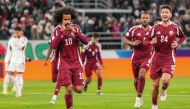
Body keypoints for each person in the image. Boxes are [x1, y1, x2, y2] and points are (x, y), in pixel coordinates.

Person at [143, 5, 186, 109]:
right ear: (160, 14)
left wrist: (178, 43)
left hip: (169, 58)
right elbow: (145, 41)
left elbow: (183, 36)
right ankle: (154, 105)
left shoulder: (175, 27)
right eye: (163, 12)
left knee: (165, 81)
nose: (164, 14)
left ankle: (164, 89)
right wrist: (150, 42)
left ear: (170, 14)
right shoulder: (154, 28)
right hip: (156, 58)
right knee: (155, 84)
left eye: (167, 12)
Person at [50, 6, 88, 109]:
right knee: (69, 89)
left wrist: (75, 32)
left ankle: (69, 95)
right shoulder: (56, 31)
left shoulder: (76, 28)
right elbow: (54, 45)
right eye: (65, 19)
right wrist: (61, 32)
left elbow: (86, 41)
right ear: (61, 19)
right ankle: (69, 107)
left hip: (77, 63)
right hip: (64, 63)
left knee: (79, 89)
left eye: (69, 19)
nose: (67, 21)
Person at [124, 12, 152, 108]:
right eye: (143, 18)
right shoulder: (134, 29)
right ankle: (140, 96)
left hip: (148, 57)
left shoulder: (153, 30)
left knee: (142, 73)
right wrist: (133, 43)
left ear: (149, 19)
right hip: (135, 57)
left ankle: (138, 98)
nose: (144, 19)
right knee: (136, 79)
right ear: (140, 19)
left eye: (146, 18)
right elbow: (125, 39)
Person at [3, 27, 28, 97]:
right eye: (14, 32)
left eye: (17, 32)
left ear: (20, 32)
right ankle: (17, 86)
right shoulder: (11, 39)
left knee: (19, 76)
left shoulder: (24, 39)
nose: (15, 34)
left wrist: (16, 38)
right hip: (13, 60)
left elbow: (20, 46)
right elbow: (10, 49)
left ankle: (19, 92)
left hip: (21, 61)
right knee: (9, 75)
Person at [44, 27, 61, 104]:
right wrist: (46, 60)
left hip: (63, 60)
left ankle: (54, 97)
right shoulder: (54, 34)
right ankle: (64, 80)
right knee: (54, 79)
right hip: (54, 59)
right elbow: (50, 48)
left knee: (60, 78)